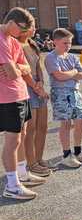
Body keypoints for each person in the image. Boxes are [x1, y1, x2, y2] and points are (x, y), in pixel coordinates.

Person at [0, 8, 41, 200]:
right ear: (12, 23)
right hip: (7, 97)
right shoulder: (1, 40)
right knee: (13, 141)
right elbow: (14, 72)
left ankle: (22, 173)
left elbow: (24, 69)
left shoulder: (13, 41)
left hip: (21, 94)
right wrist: (16, 68)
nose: (25, 32)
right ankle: (12, 184)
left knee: (22, 136)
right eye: (23, 28)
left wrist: (16, 67)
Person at [45, 28, 82, 168]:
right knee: (66, 124)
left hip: (75, 92)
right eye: (64, 43)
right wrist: (74, 72)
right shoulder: (51, 57)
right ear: (55, 41)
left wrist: (71, 73)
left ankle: (78, 152)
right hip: (61, 93)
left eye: (69, 43)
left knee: (80, 121)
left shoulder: (73, 57)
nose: (67, 46)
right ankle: (67, 155)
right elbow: (59, 76)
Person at [18, 28, 51, 177]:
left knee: (42, 126)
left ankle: (38, 159)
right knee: (30, 129)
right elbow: (23, 72)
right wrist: (36, 88)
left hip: (38, 87)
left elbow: (38, 66)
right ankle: (30, 163)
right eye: (31, 25)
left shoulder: (32, 44)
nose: (34, 28)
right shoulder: (16, 45)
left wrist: (41, 83)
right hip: (26, 88)